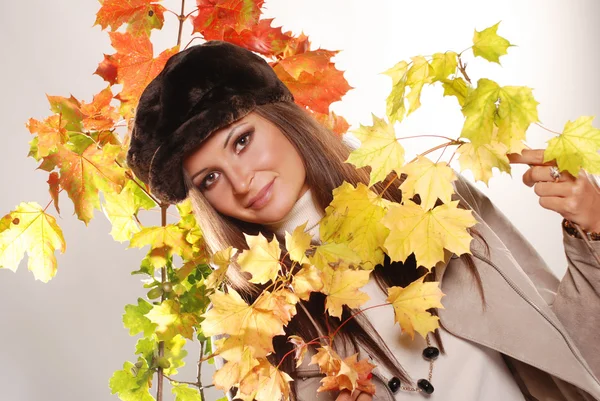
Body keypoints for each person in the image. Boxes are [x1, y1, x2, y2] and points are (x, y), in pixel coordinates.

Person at [127, 40, 600, 401]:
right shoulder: (260, 325)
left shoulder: (426, 201)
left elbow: (573, 347)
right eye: (210, 178)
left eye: (242, 141)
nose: (243, 181)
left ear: (281, 118)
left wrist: (594, 231)